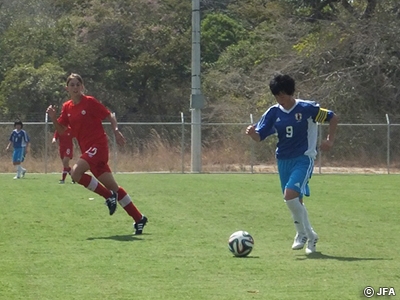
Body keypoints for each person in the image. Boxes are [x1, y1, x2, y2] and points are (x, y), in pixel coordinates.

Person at [246, 74, 338, 254]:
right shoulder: (273, 112)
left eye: (283, 95)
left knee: (289, 195)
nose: (280, 99)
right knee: (296, 200)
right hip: (283, 160)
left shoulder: (307, 109)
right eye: (277, 96)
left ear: (291, 92)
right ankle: (312, 237)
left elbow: (332, 118)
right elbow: (259, 136)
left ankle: (301, 233)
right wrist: (251, 133)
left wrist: (330, 140)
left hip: (304, 158)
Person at [46, 73, 148, 235]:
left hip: (98, 146)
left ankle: (108, 197)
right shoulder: (67, 107)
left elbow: (109, 115)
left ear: (82, 87)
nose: (75, 87)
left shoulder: (90, 102)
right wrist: (53, 118)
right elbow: (62, 130)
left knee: (76, 173)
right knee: (114, 187)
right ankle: (139, 218)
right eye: (71, 85)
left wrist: (115, 130)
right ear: (67, 88)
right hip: (89, 150)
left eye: (77, 84)